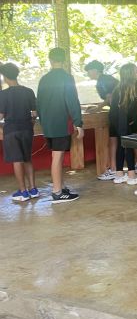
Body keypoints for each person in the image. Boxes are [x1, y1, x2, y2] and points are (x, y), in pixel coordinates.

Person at [36, 47, 83, 203]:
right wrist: (78, 123)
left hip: (48, 124)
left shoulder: (44, 79)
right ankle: (57, 192)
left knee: (56, 156)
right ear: (64, 60)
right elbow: (72, 101)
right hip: (61, 123)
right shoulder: (67, 78)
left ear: (50, 60)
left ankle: (61, 186)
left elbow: (38, 103)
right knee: (57, 157)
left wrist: (43, 122)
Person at [0, 62, 39, 202]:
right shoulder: (28, 91)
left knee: (17, 160)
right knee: (27, 158)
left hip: (11, 130)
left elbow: (0, 115)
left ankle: (23, 192)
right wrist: (30, 123)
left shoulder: (3, 94)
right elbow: (34, 113)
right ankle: (33, 189)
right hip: (27, 129)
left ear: (5, 77)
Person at [109, 63, 137, 186]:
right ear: (130, 73)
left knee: (120, 146)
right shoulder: (129, 88)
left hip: (116, 121)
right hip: (123, 121)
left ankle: (119, 175)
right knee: (128, 146)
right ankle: (132, 176)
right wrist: (130, 122)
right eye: (136, 70)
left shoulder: (119, 88)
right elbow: (128, 109)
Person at [84, 60, 119, 181]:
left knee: (113, 140)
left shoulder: (103, 81)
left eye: (89, 71)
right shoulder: (106, 79)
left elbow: (111, 98)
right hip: (120, 110)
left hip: (117, 112)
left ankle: (114, 169)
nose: (88, 74)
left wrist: (98, 107)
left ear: (95, 70)